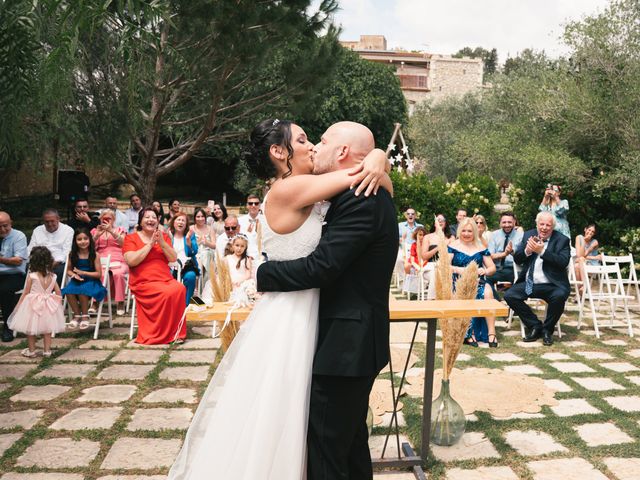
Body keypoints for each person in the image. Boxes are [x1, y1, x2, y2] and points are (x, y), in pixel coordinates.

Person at [168, 119, 392, 480]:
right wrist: (376, 160)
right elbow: (358, 178)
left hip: (321, 324)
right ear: (278, 151)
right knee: (303, 427)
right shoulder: (291, 189)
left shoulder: (329, 190)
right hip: (293, 317)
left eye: (317, 140)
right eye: (305, 140)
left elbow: (330, 254)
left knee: (325, 435)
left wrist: (378, 158)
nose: (314, 146)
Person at [504, 211, 570, 346]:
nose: (544, 228)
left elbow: (563, 262)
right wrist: (527, 251)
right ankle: (535, 325)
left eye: (548, 225)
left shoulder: (562, 240)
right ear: (537, 224)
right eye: (542, 224)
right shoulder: (528, 234)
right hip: (530, 283)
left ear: (553, 227)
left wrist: (542, 252)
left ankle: (547, 330)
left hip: (552, 284)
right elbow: (518, 259)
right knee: (510, 295)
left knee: (560, 296)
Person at [123, 207, 187, 344]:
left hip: (164, 279)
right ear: (140, 221)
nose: (151, 220)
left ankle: (176, 333)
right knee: (168, 292)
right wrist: (151, 244)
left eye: (154, 217)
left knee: (180, 288)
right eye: (147, 217)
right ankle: (160, 334)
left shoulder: (163, 237)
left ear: (158, 221)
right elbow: (131, 261)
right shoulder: (131, 238)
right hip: (143, 281)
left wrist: (162, 243)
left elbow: (173, 258)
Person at [448, 218, 498, 347]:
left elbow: (492, 268)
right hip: (458, 282)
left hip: (477, 280)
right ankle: (469, 334)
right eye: (463, 230)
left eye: (469, 231)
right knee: (467, 293)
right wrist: (459, 270)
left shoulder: (480, 247)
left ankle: (491, 333)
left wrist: (484, 271)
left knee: (488, 291)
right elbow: (444, 266)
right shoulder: (453, 246)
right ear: (460, 231)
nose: (466, 234)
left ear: (474, 232)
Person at [8, 246, 65, 357]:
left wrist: (18, 306)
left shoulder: (32, 276)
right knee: (47, 329)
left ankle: (32, 351)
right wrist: (58, 305)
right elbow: (58, 292)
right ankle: (47, 351)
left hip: (33, 305)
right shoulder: (53, 276)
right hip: (48, 305)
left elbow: (26, 292)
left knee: (30, 329)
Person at [61, 228, 107, 330]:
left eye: (85, 238)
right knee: (68, 290)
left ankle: (85, 316)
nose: (83, 242)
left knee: (83, 291)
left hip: (92, 281)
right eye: (79, 239)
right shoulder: (72, 254)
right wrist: (74, 275)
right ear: (75, 241)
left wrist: (83, 273)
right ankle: (77, 315)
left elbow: (98, 274)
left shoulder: (95, 255)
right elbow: (68, 270)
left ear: (90, 239)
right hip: (77, 280)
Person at [92, 210, 128, 315]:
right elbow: (89, 248)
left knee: (119, 274)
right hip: (101, 260)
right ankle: (95, 302)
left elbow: (124, 244)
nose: (106, 221)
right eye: (104, 218)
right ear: (100, 219)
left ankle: (120, 301)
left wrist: (112, 231)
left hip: (119, 259)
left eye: (109, 219)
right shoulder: (95, 231)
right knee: (100, 274)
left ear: (114, 220)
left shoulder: (120, 230)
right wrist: (97, 236)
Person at [0, 211, 28, 342]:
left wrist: (1, 259)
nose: (2, 229)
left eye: (5, 225)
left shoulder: (18, 236)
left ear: (11, 223)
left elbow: (18, 261)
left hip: (15, 274)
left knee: (5, 290)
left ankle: (8, 327)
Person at [27, 209, 74, 284]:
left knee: (58, 272)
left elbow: (66, 251)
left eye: (52, 221)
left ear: (58, 219)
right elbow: (30, 249)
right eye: (46, 221)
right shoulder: (37, 230)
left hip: (58, 262)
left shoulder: (68, 230)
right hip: (39, 261)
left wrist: (54, 263)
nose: (49, 224)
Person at [486, 211, 523, 295]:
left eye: (509, 222)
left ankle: (511, 299)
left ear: (514, 222)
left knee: (520, 283)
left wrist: (512, 252)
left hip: (513, 269)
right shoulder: (494, 235)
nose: (507, 225)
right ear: (500, 223)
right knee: (484, 280)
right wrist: (504, 254)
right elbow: (490, 256)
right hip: (497, 268)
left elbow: (523, 256)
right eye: (504, 222)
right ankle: (496, 301)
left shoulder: (521, 236)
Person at [168, 212, 199, 305]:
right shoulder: (168, 235)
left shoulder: (190, 235)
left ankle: (185, 305)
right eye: (178, 220)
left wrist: (188, 241)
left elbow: (193, 252)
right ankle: (171, 304)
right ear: (174, 222)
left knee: (191, 277)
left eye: (183, 220)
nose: (180, 222)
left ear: (186, 224)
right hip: (171, 266)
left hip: (187, 265)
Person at [403, 226, 435, 299]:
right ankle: (410, 287)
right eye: (420, 235)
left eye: (423, 235)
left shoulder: (427, 245)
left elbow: (427, 259)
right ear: (416, 235)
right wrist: (416, 266)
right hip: (415, 263)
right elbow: (412, 259)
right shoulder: (414, 245)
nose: (422, 237)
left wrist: (421, 266)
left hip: (424, 263)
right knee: (407, 266)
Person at [190, 208, 216, 281]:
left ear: (205, 217)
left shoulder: (210, 229)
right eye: (198, 217)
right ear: (195, 218)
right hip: (195, 252)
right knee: (198, 257)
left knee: (206, 254)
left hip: (207, 252)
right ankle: (198, 278)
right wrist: (198, 242)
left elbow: (214, 245)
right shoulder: (191, 228)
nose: (200, 219)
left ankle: (202, 278)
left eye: (202, 216)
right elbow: (188, 245)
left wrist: (207, 243)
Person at [238, 194, 263, 259]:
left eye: (256, 203)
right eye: (250, 203)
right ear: (247, 205)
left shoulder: (266, 221)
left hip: (262, 255)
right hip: (245, 256)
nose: (253, 205)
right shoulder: (239, 221)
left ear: (260, 205)